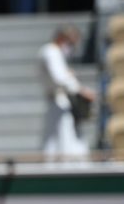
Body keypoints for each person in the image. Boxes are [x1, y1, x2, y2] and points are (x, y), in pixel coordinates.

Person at [38, 25, 96, 162]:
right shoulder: (50, 51)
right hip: (58, 102)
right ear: (61, 38)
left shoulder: (53, 52)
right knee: (59, 142)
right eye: (70, 42)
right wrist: (80, 89)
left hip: (61, 103)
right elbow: (59, 78)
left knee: (64, 140)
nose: (71, 47)